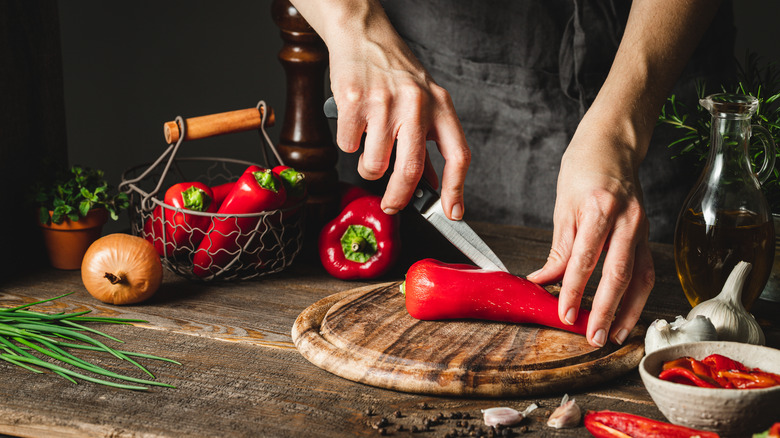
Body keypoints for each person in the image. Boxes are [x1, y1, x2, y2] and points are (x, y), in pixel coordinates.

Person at [288, 0, 732, 348]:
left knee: (660, 287)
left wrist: (621, 126)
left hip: (661, 61)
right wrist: (353, 22)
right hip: (441, 60)